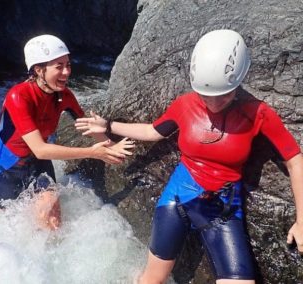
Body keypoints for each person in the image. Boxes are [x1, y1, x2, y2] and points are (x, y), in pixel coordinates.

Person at [75, 29, 303, 283]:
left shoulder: (259, 113)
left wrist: (302, 220)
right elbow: (153, 131)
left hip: (222, 209)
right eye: (206, 96)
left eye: (222, 96)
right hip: (177, 198)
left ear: (238, 81)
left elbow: (295, 161)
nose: (213, 104)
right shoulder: (185, 104)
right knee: (152, 279)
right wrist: (108, 126)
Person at [0, 34, 134, 230]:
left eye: (68, 64)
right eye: (59, 66)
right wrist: (93, 153)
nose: (66, 72)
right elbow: (40, 149)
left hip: (38, 163)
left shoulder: (64, 95)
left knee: (52, 218)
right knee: (10, 227)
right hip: (7, 170)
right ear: (39, 70)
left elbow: (88, 127)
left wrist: (113, 147)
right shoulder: (18, 96)